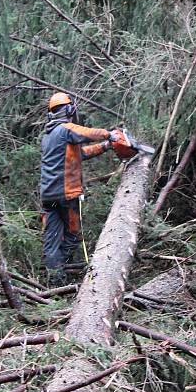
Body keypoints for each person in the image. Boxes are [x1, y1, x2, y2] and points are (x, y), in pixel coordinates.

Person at [40, 92, 119, 285]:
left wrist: (106, 146)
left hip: (48, 197)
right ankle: (63, 276)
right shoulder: (66, 129)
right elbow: (86, 133)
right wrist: (110, 134)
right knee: (74, 235)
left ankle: (54, 280)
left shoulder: (48, 136)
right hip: (67, 194)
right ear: (69, 110)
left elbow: (79, 153)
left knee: (51, 241)